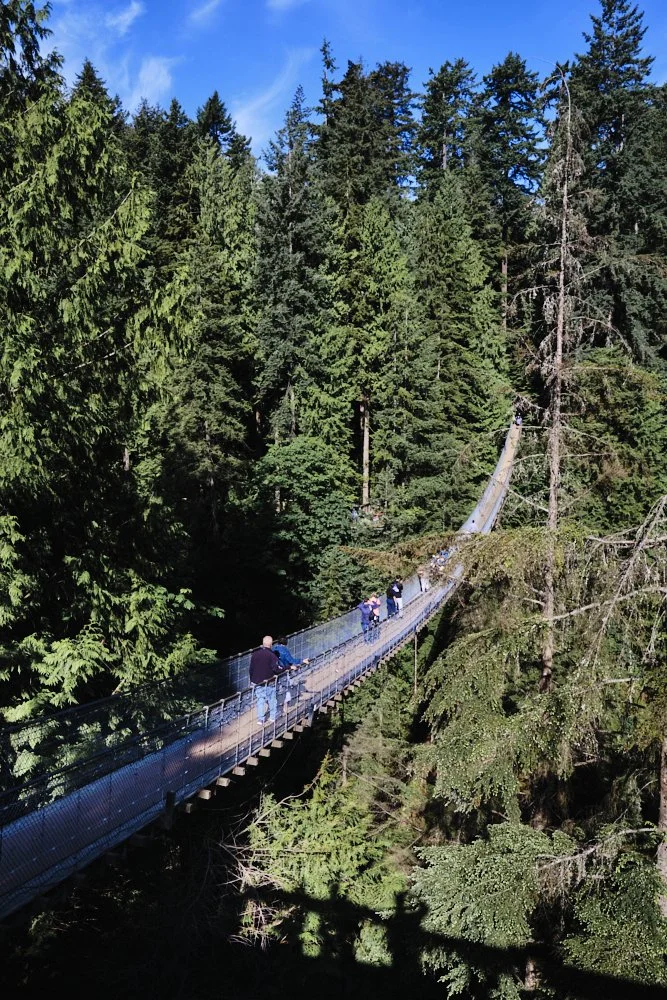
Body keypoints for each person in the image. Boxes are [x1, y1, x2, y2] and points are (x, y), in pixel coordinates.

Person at [249, 635, 281, 725]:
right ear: (271, 644)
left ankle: (260, 719)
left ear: (263, 644)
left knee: (260, 700)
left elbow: (251, 669)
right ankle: (272, 717)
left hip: (256, 682)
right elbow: (276, 669)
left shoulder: (254, 654)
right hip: (269, 681)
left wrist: (252, 680)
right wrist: (286, 668)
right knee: (272, 699)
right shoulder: (272, 655)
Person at [273, 636, 310, 712]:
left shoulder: (274, 649)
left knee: (277, 690)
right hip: (284, 672)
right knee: (287, 688)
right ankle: (285, 707)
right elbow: (291, 660)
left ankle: (276, 707)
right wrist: (302, 660)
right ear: (286, 643)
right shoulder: (284, 650)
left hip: (274, 672)